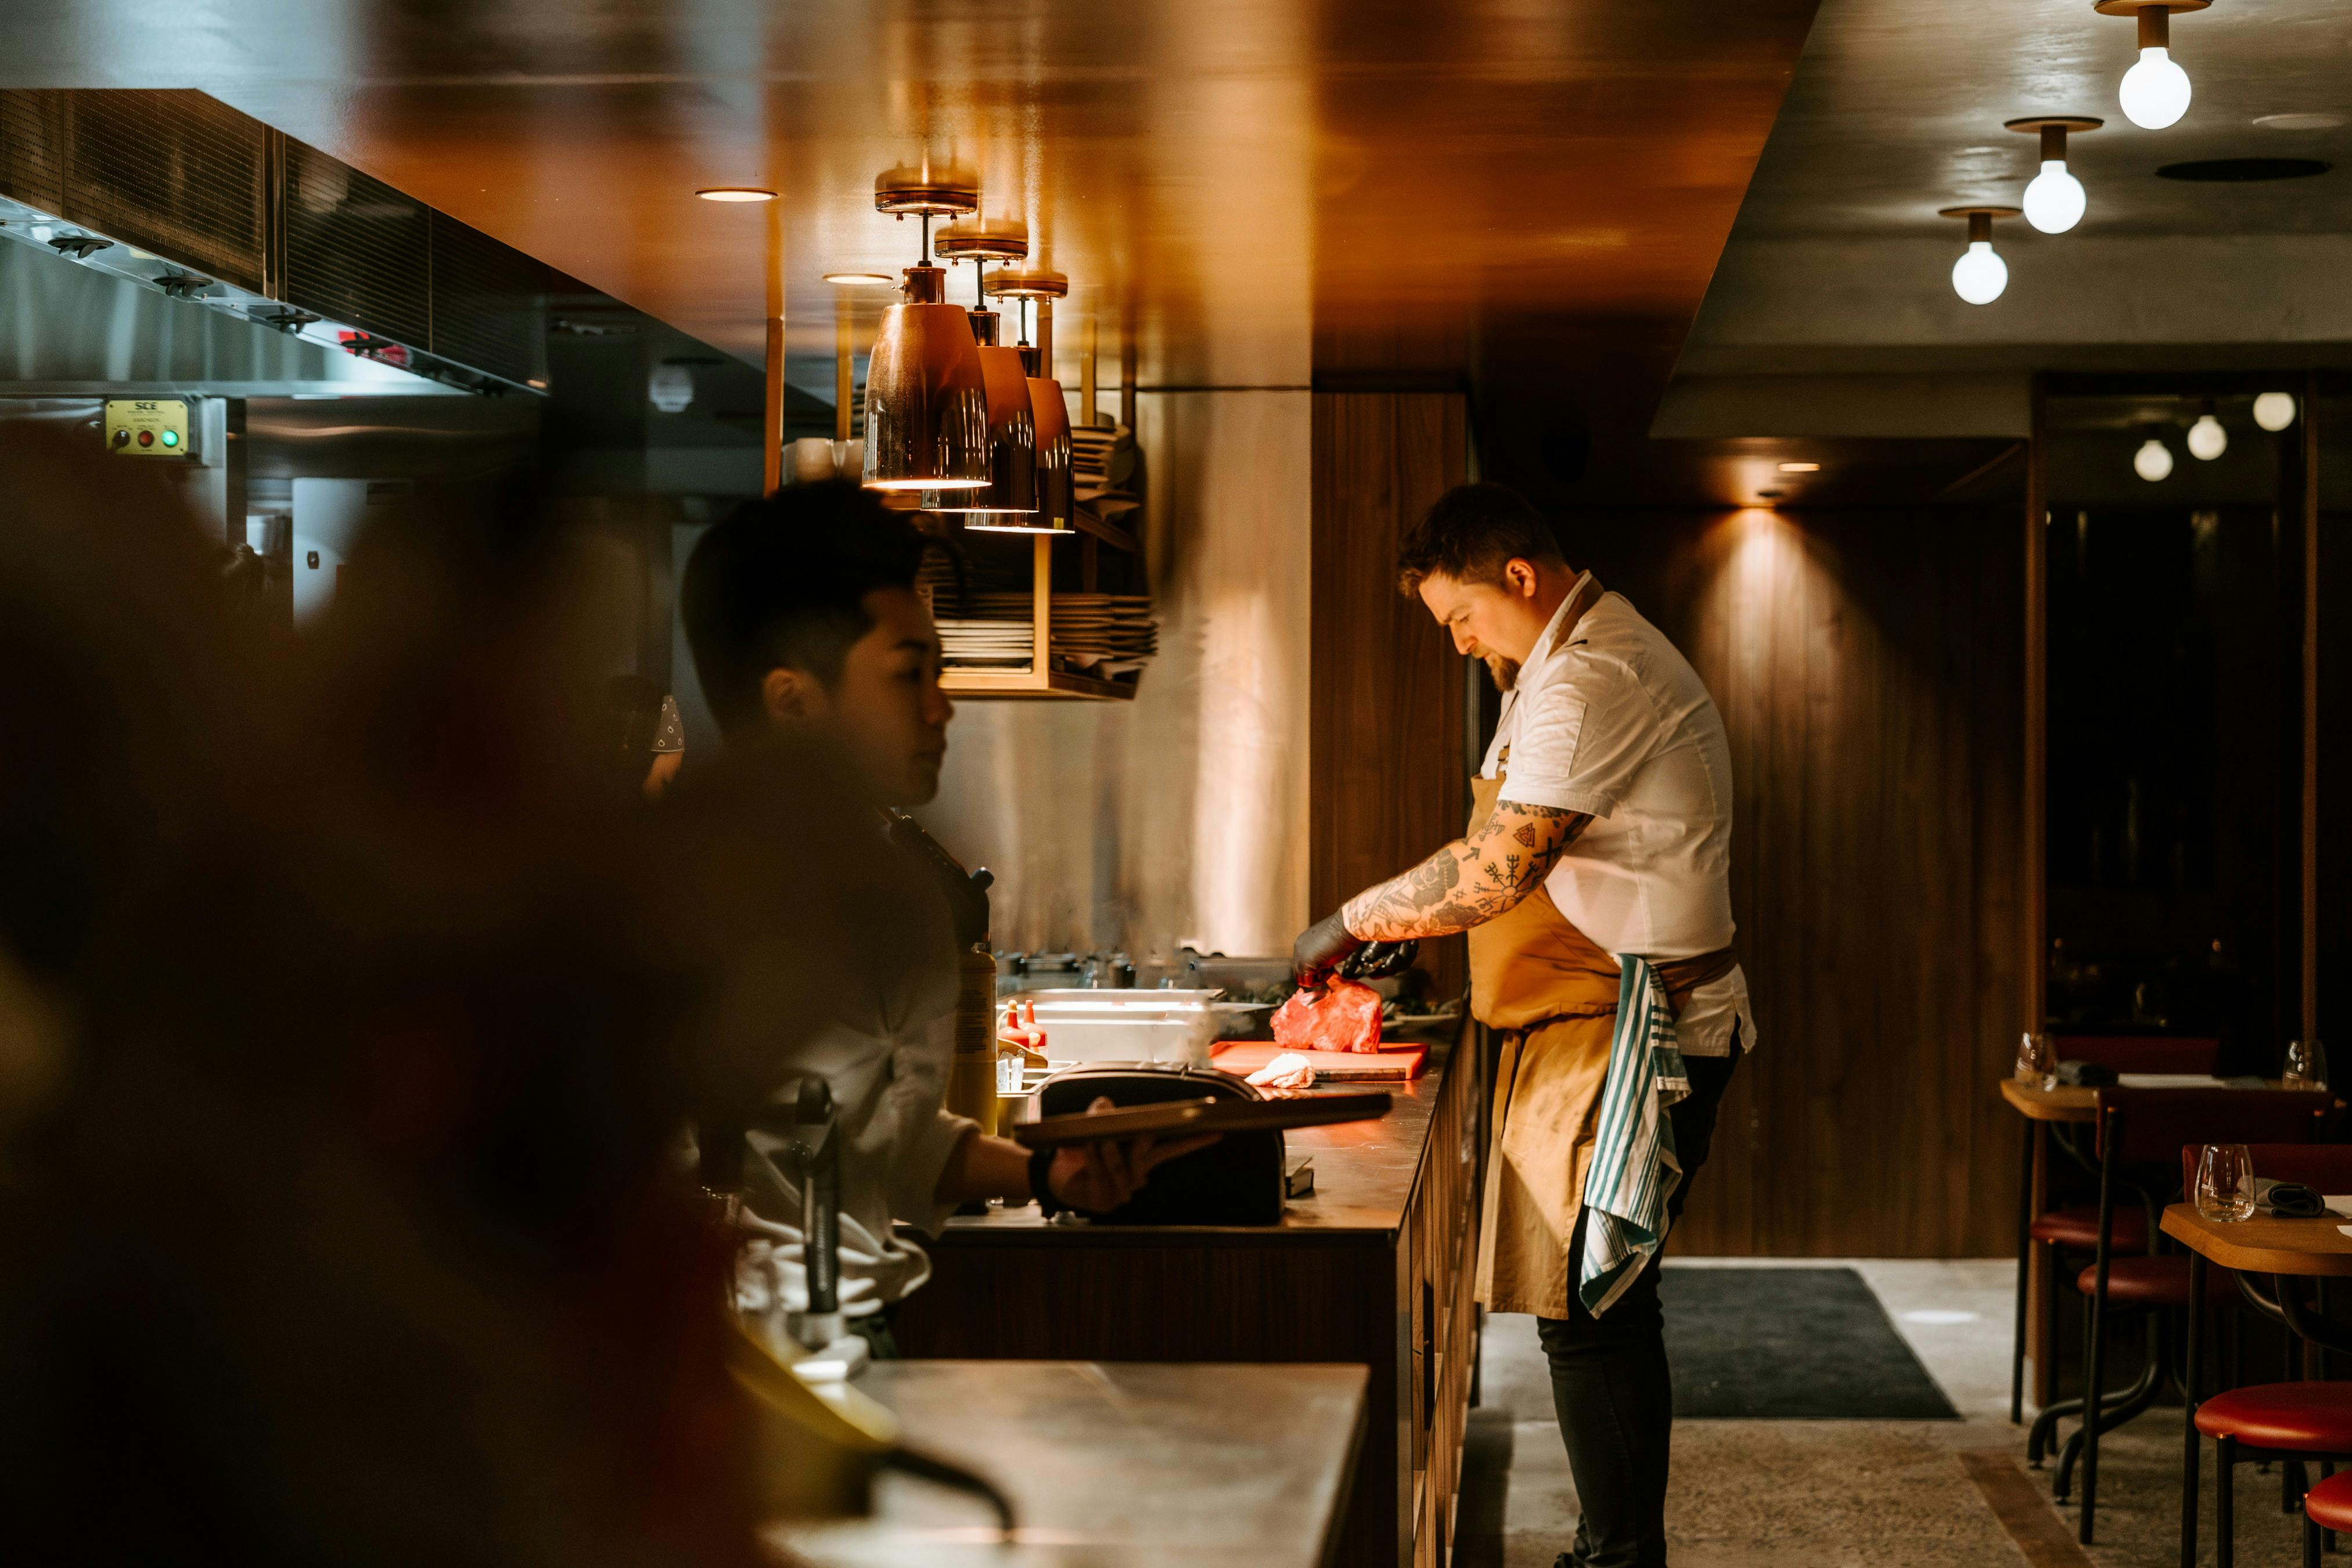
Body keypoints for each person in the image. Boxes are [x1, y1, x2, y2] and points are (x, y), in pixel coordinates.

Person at [1290, 481, 1755, 1568]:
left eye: (1461, 619)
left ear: (1518, 577)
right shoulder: (1549, 664)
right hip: (1588, 1023)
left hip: (1643, 1030)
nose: (1459, 645)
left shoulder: (1591, 677)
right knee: (1589, 1310)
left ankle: (1619, 1556)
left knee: (1591, 1311)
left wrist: (1342, 925)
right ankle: (1617, 1549)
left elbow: (1500, 868)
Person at [679, 483, 1205, 1353]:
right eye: (908, 674)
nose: (941, 706)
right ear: (793, 701)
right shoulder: (682, 917)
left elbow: (886, 1143)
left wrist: (1049, 1172)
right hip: (727, 1368)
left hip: (859, 1335)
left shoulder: (894, 894)